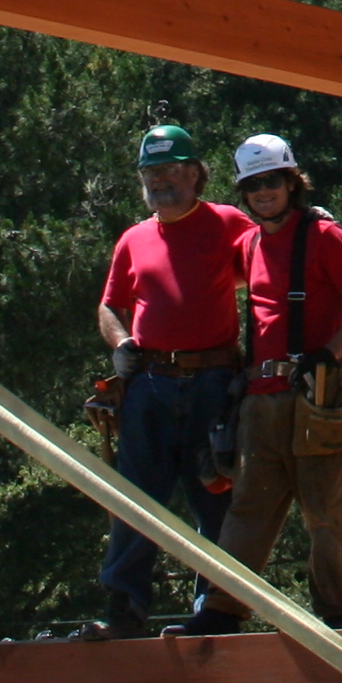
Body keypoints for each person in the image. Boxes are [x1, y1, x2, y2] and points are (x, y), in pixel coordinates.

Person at [178, 134, 342, 634]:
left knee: (324, 511)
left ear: (292, 182)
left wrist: (330, 354)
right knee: (248, 508)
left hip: (316, 397)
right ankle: (222, 610)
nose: (263, 192)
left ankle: (337, 615)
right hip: (259, 400)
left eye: (271, 181)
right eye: (252, 185)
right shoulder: (248, 244)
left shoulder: (324, 236)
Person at [92, 125, 256, 631]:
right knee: (136, 498)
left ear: (194, 174)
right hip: (149, 384)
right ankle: (125, 607)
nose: (159, 180)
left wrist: (309, 223)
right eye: (150, 172)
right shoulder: (134, 238)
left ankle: (217, 611)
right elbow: (109, 305)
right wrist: (121, 343)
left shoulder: (228, 222)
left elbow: (270, 259)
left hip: (213, 382)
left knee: (216, 495)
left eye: (168, 170)